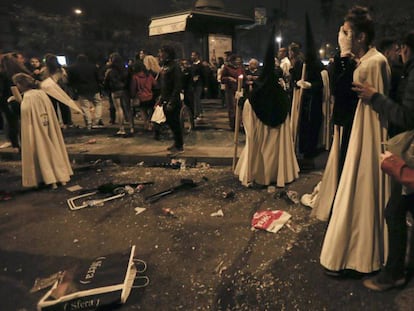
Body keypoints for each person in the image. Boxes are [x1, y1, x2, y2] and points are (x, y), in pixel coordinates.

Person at [319, 6, 391, 276]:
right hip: (352, 130)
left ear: (360, 37)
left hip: (367, 136)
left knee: (360, 191)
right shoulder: (360, 60)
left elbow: (375, 105)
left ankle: (360, 253)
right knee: (348, 189)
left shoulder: (375, 62)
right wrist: (344, 57)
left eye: (347, 32)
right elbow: (340, 91)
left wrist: (346, 58)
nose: (342, 36)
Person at [352, 30, 414, 291]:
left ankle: (394, 273)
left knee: (394, 210)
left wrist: (375, 98)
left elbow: (407, 116)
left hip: (409, 152)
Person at [234, 26, 299, 188]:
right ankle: (278, 173)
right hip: (276, 135)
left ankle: (260, 174)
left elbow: (249, 125)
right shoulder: (281, 95)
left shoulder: (256, 96)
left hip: (261, 135)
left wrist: (242, 101)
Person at [12, 73, 72, 189]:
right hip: (47, 126)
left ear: (20, 84)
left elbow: (25, 113)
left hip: (36, 129)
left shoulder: (28, 97)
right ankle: (61, 176)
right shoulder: (42, 94)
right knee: (53, 146)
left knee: (42, 150)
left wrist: (17, 102)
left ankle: (49, 178)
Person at [0, 52, 32, 150]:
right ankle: (27, 143)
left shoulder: (3, 74)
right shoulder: (23, 72)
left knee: (11, 123)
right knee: (25, 122)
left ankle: (15, 144)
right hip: (24, 99)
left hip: (7, 101)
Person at [158, 45, 184, 155]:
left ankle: (179, 145)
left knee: (175, 123)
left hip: (172, 100)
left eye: (161, 52)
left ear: (167, 53)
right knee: (170, 122)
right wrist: (161, 98)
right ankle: (176, 142)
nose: (159, 54)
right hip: (165, 98)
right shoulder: (165, 66)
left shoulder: (174, 66)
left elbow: (177, 85)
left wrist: (172, 101)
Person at [67, 54, 104, 130]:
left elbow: (70, 81)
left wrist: (74, 89)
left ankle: (89, 123)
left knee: (85, 107)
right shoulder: (93, 67)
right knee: (98, 104)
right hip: (94, 89)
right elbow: (99, 78)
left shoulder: (72, 68)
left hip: (81, 90)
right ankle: (96, 121)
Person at [41, 54, 72, 129]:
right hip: (61, 90)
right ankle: (67, 122)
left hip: (50, 91)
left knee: (52, 107)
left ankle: (55, 123)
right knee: (64, 106)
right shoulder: (61, 69)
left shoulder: (45, 70)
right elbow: (65, 79)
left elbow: (43, 80)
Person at [104, 52, 129, 135]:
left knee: (119, 109)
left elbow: (106, 82)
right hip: (124, 90)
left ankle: (121, 128)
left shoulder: (110, 71)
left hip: (115, 91)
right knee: (126, 108)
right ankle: (130, 125)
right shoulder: (124, 69)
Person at [129, 60, 157, 132]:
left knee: (143, 111)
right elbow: (155, 84)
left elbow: (133, 88)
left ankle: (147, 124)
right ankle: (150, 122)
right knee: (151, 110)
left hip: (141, 97)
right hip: (150, 96)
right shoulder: (149, 75)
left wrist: (132, 96)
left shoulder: (135, 77)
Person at [221, 54, 245, 130]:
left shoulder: (240, 67)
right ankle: (233, 124)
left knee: (239, 106)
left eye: (239, 60)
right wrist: (229, 78)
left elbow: (243, 75)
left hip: (239, 89)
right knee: (232, 107)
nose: (238, 61)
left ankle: (239, 123)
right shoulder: (227, 67)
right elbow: (222, 79)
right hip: (230, 90)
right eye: (237, 60)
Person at [190, 51, 205, 120]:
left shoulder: (200, 65)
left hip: (199, 84)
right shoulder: (192, 65)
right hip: (193, 84)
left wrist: (205, 85)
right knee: (194, 99)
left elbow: (204, 75)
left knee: (197, 99)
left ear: (197, 56)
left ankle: (199, 113)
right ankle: (197, 112)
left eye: (193, 55)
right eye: (192, 55)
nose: (192, 57)